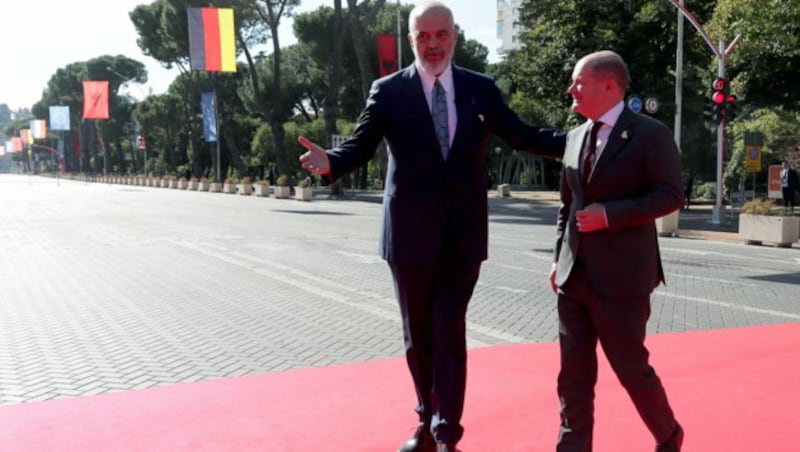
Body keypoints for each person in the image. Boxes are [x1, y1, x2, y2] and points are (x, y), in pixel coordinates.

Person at [298, 2, 565, 450]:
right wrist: (330, 164)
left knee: (448, 328)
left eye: (440, 33)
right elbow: (361, 146)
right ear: (411, 40)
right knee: (417, 336)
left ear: (454, 35)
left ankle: (446, 432)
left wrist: (579, 139)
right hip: (408, 236)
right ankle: (425, 418)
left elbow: (522, 134)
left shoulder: (480, 89)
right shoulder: (388, 91)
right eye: (423, 35)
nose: (433, 43)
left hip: (463, 235)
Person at [548, 51, 684, 451]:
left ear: (609, 85)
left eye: (578, 82)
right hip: (575, 278)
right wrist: (559, 257)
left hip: (623, 279)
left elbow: (670, 195)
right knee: (573, 375)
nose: (571, 89)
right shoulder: (575, 137)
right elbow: (566, 206)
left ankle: (669, 436)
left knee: (630, 370)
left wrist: (611, 215)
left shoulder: (649, 133)